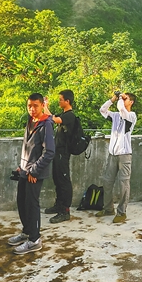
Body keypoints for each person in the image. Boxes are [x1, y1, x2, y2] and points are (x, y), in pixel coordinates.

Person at [8, 93, 55, 255]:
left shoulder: (46, 125)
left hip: (35, 173)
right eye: (29, 106)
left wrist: (34, 170)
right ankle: (27, 232)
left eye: (35, 105)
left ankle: (34, 240)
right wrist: (22, 166)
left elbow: (49, 152)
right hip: (25, 170)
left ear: (42, 105)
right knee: (22, 202)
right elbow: (28, 147)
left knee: (31, 204)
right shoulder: (31, 121)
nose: (32, 109)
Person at [97, 92, 137, 223]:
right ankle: (108, 208)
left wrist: (121, 98)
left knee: (124, 184)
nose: (123, 100)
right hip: (112, 154)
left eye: (126, 99)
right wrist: (113, 99)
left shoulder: (131, 116)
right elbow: (102, 110)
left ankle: (122, 212)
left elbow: (122, 109)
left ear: (131, 102)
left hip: (124, 154)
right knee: (107, 182)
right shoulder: (115, 116)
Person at [45, 90, 77, 223]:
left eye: (60, 99)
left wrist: (44, 106)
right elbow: (51, 117)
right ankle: (59, 205)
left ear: (67, 101)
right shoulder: (64, 114)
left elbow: (54, 119)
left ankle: (65, 211)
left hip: (63, 153)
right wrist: (45, 106)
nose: (59, 101)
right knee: (57, 179)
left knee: (64, 181)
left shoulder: (70, 116)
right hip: (57, 152)